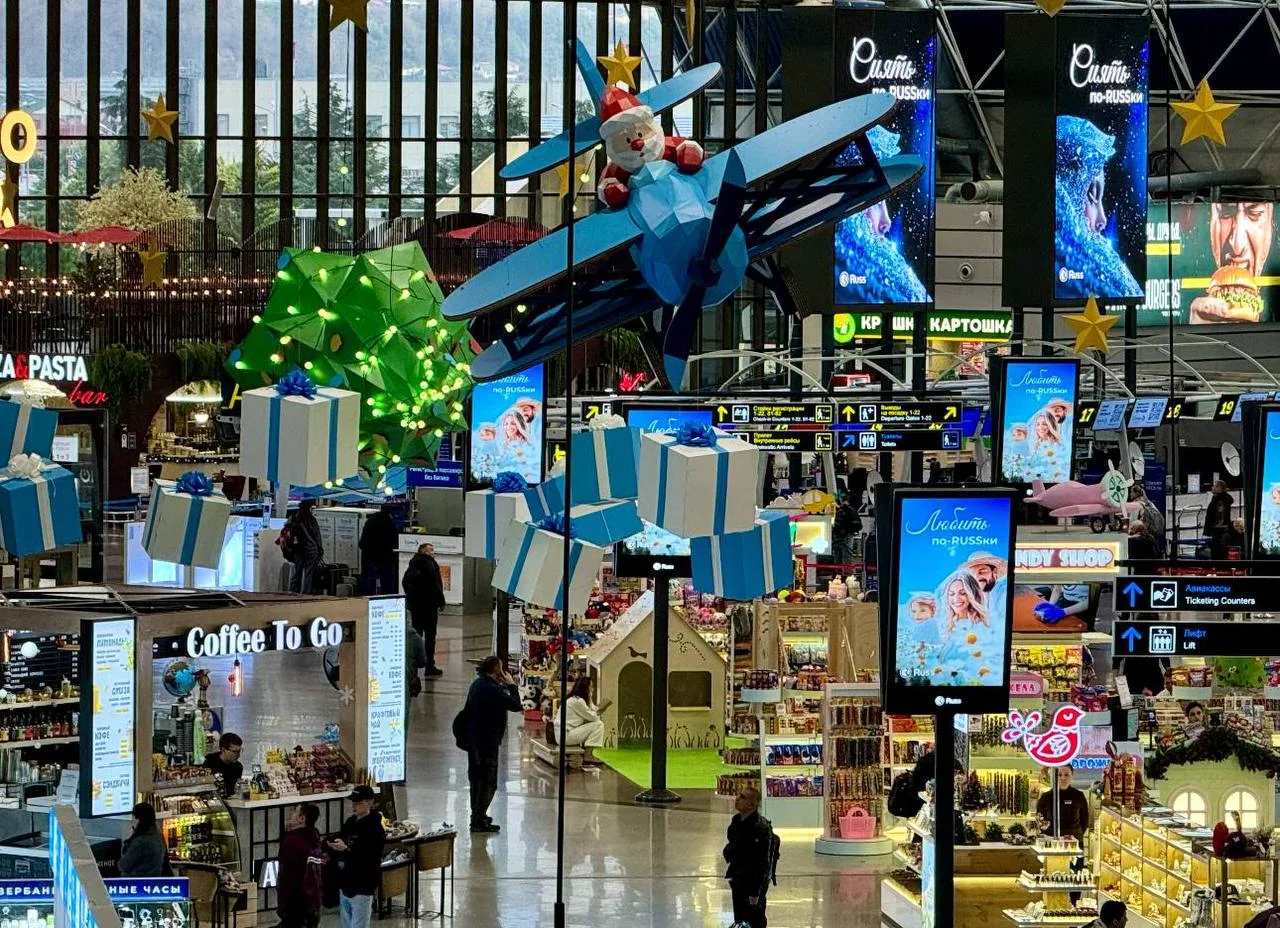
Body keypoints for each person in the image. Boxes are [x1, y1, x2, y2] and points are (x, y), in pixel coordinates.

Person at [462, 656, 522, 833]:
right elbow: (516, 705)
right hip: (487, 741)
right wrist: (511, 685)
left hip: (473, 739)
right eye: (501, 668)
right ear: (496, 670)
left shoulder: (478, 684)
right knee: (488, 781)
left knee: (476, 779)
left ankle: (477, 816)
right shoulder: (492, 689)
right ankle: (478, 819)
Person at [326, 785, 385, 928]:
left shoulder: (375, 828)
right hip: (345, 882)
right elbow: (342, 838)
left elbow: (370, 856)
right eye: (353, 802)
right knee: (346, 923)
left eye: (358, 802)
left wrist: (346, 849)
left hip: (363, 884)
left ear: (369, 802)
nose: (354, 806)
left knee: (359, 924)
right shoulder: (350, 822)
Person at [722, 787, 776, 928]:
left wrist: (755, 891)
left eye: (742, 797)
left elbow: (761, 862)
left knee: (754, 918)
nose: (737, 799)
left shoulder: (760, 828)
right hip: (738, 877)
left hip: (752, 882)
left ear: (751, 805)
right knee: (740, 918)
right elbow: (733, 843)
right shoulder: (736, 821)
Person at [402, 543, 446, 676]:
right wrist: (440, 600)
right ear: (424, 551)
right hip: (429, 606)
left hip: (417, 606)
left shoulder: (413, 564)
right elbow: (435, 585)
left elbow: (405, 583)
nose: (433, 552)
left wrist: (412, 598)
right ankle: (429, 665)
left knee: (417, 634)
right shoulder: (429, 564)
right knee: (430, 636)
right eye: (430, 550)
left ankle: (414, 667)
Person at [276, 803, 322, 928]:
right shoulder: (314, 838)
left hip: (296, 906)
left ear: (302, 819)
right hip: (313, 903)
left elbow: (288, 877)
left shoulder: (293, 842)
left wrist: (284, 908)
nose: (290, 815)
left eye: (294, 812)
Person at [553, 677, 606, 766]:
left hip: (562, 735)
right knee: (599, 725)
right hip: (566, 736)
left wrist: (590, 701)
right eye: (591, 687)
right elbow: (593, 717)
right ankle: (588, 755)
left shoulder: (574, 699)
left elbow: (591, 711)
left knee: (591, 723)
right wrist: (599, 709)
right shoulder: (578, 701)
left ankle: (587, 753)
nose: (592, 689)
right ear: (586, 688)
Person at [357, 504, 399, 595]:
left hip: (368, 555)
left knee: (368, 578)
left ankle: (366, 597)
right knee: (387, 579)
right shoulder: (389, 523)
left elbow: (362, 542)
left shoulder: (370, 521)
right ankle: (388, 597)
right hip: (385, 556)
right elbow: (394, 540)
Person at [119, 802, 170, 877]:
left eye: (133, 818)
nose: (132, 822)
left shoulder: (140, 842)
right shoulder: (159, 837)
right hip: (154, 880)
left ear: (138, 819)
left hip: (136, 881)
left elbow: (124, 865)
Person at [287, 500, 325, 593]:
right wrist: (320, 549)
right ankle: (306, 593)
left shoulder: (293, 518)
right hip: (311, 549)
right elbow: (317, 536)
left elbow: (287, 532)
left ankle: (293, 591)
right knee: (309, 573)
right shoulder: (311, 520)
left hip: (297, 549)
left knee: (297, 572)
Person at [203, 732, 244, 797]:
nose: (238, 755)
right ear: (223, 749)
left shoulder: (238, 767)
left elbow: (235, 790)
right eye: (234, 752)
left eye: (239, 751)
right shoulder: (209, 763)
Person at [1204, 481, 1234, 559]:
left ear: (1220, 488)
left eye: (1215, 486)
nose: (1212, 488)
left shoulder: (1222, 499)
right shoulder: (1215, 498)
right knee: (1215, 550)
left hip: (1220, 529)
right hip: (1216, 529)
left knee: (1219, 551)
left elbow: (1219, 515)